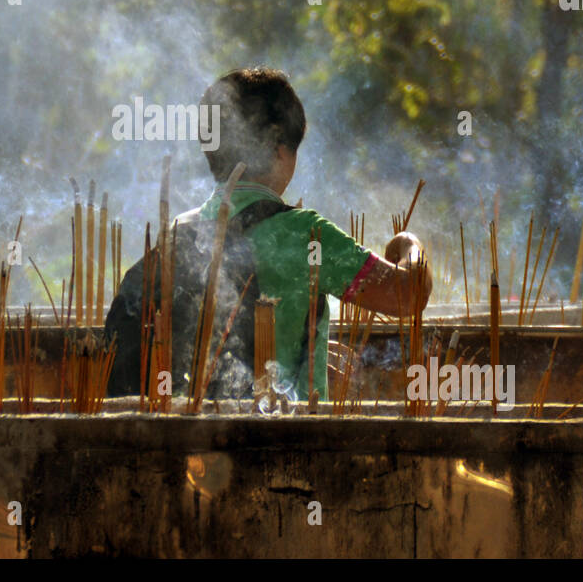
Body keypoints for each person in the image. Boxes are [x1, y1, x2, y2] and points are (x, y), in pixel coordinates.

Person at [104, 67, 433, 401]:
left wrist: (308, 347)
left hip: (197, 439)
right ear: (279, 147)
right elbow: (408, 295)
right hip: (281, 440)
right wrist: (408, 244)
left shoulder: (180, 233)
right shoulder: (306, 234)